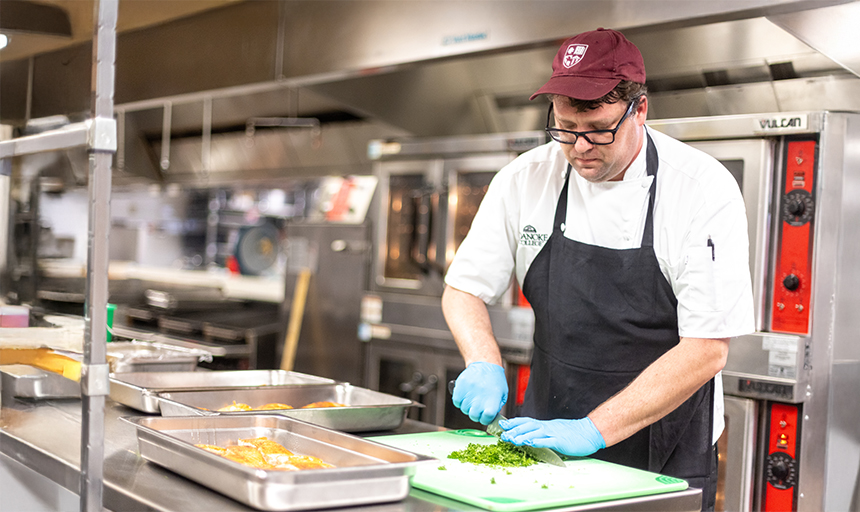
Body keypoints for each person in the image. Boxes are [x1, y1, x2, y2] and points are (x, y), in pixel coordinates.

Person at [442, 28, 754, 510]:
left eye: (599, 129)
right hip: (546, 443)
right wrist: (482, 359)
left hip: (663, 447)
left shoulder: (701, 189)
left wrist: (594, 429)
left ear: (641, 109)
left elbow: (707, 349)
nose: (580, 147)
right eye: (564, 128)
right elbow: (463, 289)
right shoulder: (526, 178)